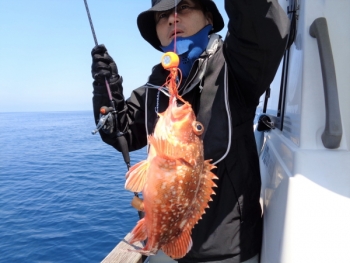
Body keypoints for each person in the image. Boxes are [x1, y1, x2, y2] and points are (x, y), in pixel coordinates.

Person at [91, 0, 289, 262]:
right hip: (169, 246)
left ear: (209, 17)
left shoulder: (236, 68)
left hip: (229, 250)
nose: (172, 19)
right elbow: (120, 131)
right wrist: (106, 89)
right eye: (162, 16)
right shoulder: (156, 89)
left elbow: (263, 31)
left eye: (183, 7)